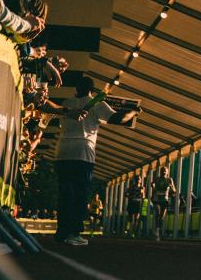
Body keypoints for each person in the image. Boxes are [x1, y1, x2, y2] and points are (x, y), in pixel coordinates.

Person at [54, 76, 135, 246]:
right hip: (83, 151)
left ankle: (62, 231)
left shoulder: (67, 102)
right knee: (79, 194)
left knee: (65, 193)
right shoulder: (97, 104)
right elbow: (118, 119)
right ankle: (74, 232)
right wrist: (133, 112)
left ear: (76, 88)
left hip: (62, 151)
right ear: (92, 90)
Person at [151, 166, 177, 241]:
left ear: (167, 172)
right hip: (157, 199)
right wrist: (153, 187)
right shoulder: (157, 179)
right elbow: (152, 184)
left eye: (165, 171)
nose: (164, 172)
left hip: (164, 199)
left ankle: (160, 232)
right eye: (162, 171)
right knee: (158, 213)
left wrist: (171, 186)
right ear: (160, 172)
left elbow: (174, 190)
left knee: (161, 217)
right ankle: (156, 231)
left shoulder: (169, 179)